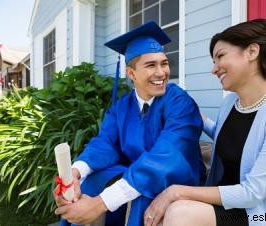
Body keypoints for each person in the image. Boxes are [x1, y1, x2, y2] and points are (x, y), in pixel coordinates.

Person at [144, 18, 266, 226]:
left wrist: (175, 192)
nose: (214, 69)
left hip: (264, 212)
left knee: (178, 213)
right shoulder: (231, 101)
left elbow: (253, 192)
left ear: (252, 52)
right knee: (162, 215)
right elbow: (230, 136)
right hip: (230, 201)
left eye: (220, 56)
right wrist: (190, 113)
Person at [53, 21, 206, 226]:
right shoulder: (121, 107)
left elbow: (168, 155)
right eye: (151, 65)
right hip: (136, 172)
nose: (162, 73)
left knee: (139, 194)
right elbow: (106, 142)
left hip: (176, 180)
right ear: (131, 74)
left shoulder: (179, 102)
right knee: (92, 182)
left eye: (164, 63)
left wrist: (101, 204)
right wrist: (76, 172)